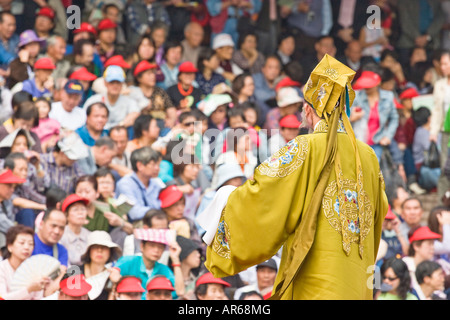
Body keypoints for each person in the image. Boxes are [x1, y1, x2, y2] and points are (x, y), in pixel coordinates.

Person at [196, 54, 389, 300]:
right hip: (356, 279)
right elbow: (379, 209)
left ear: (308, 110)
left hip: (315, 278)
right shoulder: (368, 155)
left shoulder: (304, 147)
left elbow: (265, 192)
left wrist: (227, 197)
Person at [115, 227, 184, 300]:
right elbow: (114, 276)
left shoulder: (164, 269)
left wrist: (175, 259)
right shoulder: (128, 262)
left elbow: (180, 292)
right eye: (152, 245)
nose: (156, 250)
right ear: (142, 246)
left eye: (160, 247)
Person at [83, 65, 140, 130]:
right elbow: (84, 118)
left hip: (119, 135)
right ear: (105, 83)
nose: (115, 85)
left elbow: (135, 114)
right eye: (112, 82)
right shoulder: (93, 100)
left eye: (118, 82)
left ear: (122, 84)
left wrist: (120, 125)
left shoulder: (129, 101)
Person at [0, 225, 50, 300]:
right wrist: (28, 289)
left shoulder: (35, 270)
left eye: (30, 244)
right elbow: (2, 298)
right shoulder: (2, 268)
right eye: (22, 243)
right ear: (10, 247)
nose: (27, 247)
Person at [115, 146, 163, 223]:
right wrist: (159, 211)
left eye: (158, 165)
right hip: (130, 227)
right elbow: (135, 213)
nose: (157, 168)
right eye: (153, 165)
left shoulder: (156, 183)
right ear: (140, 166)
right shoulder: (125, 184)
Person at [77, 230, 122, 300]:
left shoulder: (112, 276)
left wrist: (115, 284)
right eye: (95, 247)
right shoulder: (75, 272)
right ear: (89, 250)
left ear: (110, 251)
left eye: (104, 247)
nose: (100, 250)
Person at [430, 50, 450, 201]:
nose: (443, 67)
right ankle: (442, 202)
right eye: (442, 64)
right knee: (445, 167)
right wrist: (433, 131)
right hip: (445, 131)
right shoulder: (439, 85)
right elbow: (437, 110)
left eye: (445, 63)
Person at [403, 225, 442, 294]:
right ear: (416, 246)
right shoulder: (405, 264)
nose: (432, 248)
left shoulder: (432, 266)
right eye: (429, 244)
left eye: (433, 244)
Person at [59, 194, 91, 266]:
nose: (80, 213)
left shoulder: (90, 235)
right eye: (75, 210)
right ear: (66, 215)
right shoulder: (60, 235)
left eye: (83, 209)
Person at [0, 169, 26, 246]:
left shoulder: (7, 202)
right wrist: (22, 231)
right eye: (9, 186)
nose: (12, 190)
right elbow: (3, 223)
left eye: (13, 187)